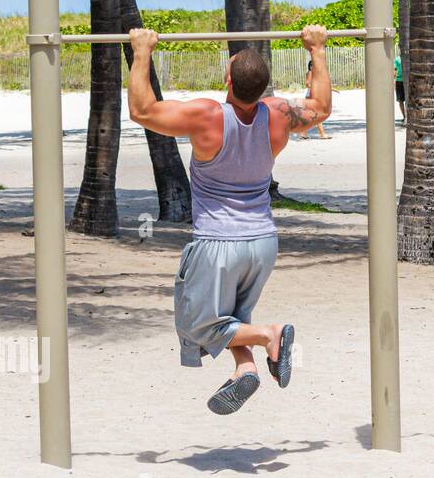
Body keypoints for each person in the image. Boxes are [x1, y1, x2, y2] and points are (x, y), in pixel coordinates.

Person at [126, 25, 334, 415]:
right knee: (231, 318)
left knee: (198, 325)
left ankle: (268, 336)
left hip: (218, 243)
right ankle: (245, 368)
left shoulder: (207, 116)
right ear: (265, 88)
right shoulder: (278, 115)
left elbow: (142, 111)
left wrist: (142, 51)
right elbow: (320, 106)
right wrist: (317, 50)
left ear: (227, 79)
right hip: (262, 243)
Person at [298, 59, 330, 140]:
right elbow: (307, 84)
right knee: (317, 115)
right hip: (311, 96)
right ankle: (322, 134)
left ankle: (303, 133)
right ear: (311, 66)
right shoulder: (310, 73)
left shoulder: (314, 73)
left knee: (312, 115)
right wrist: (316, 88)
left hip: (311, 95)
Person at [394, 51, 405, 123]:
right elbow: (394, 70)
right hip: (399, 81)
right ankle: (405, 116)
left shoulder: (409, 58)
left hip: (407, 81)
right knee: (400, 100)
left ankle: (408, 116)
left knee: (407, 100)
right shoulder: (397, 59)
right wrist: (393, 81)